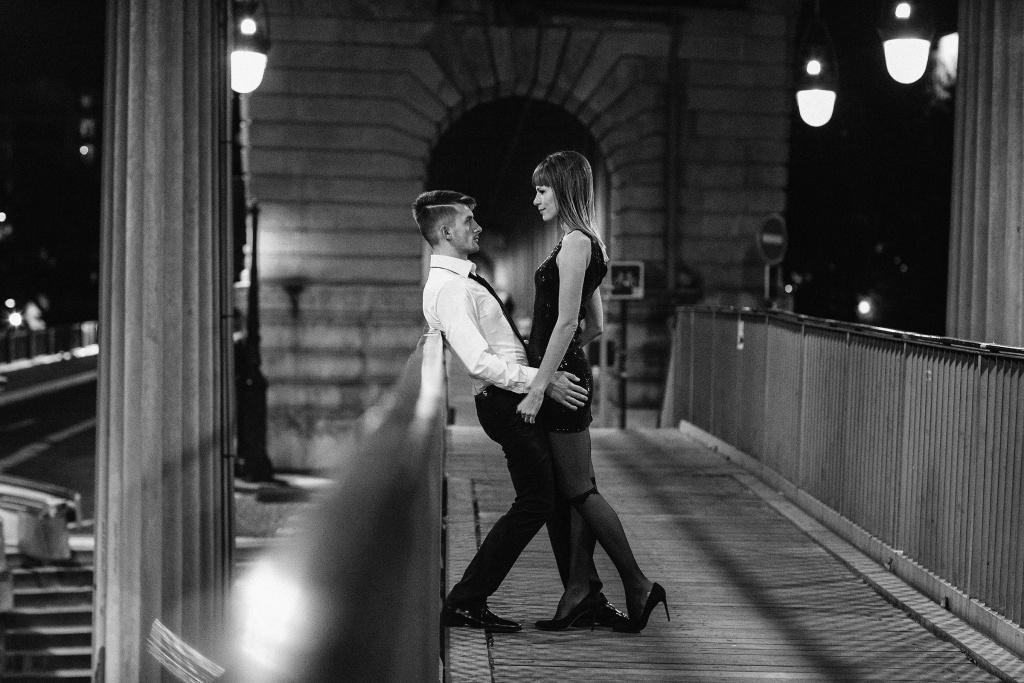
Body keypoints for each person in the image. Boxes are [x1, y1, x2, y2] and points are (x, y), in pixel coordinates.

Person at [416, 190, 623, 633]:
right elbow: (479, 363)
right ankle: (466, 600)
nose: (478, 227)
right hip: (505, 402)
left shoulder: (462, 280)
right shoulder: (451, 289)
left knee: (556, 495)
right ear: (446, 231)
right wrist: (540, 381)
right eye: (469, 221)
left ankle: (584, 594)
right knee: (538, 500)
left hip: (512, 398)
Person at [517, 151, 669, 633]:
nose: (536, 199)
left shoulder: (574, 245)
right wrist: (570, 363)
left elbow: (567, 323)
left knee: (580, 490)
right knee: (577, 487)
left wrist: (540, 384)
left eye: (543, 189)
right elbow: (596, 324)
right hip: (571, 375)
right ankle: (580, 589)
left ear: (563, 188)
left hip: (561, 385)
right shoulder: (587, 243)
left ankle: (638, 585)